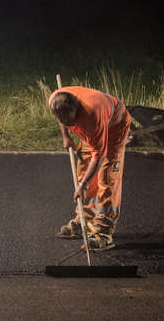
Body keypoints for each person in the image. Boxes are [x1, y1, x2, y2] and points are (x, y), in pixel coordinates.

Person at [48, 86, 131, 251]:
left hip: (114, 126)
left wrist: (83, 185)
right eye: (63, 121)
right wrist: (66, 136)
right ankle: (85, 219)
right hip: (90, 126)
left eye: (70, 120)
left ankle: (104, 230)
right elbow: (63, 118)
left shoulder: (92, 116)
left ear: (76, 110)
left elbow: (99, 156)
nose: (68, 123)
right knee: (84, 167)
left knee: (107, 175)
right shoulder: (55, 101)